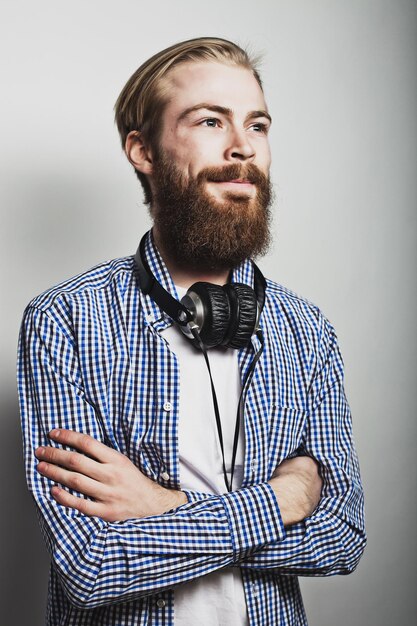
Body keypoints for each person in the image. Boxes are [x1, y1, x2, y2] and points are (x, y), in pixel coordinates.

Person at [17, 37, 366, 626]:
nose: (242, 148)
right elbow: (92, 564)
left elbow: (341, 538)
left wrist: (165, 508)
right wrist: (284, 499)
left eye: (257, 126)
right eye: (211, 121)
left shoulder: (307, 331)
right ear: (142, 150)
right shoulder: (64, 321)